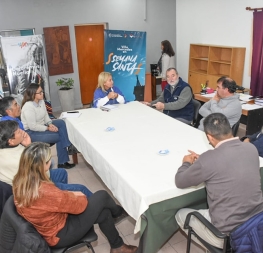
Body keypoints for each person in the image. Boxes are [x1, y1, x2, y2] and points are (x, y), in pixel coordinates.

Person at [13, 142, 138, 253]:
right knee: (102, 195)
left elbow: (59, 199)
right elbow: (79, 206)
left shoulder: (20, 182)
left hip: (50, 227)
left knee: (104, 213)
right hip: (60, 234)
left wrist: (70, 196)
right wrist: (78, 195)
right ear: (41, 166)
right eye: (48, 161)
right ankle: (118, 212)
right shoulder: (44, 191)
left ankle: (118, 247)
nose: (50, 162)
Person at [175, 113, 263, 249]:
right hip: (258, 222)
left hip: (228, 234)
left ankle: (214, 248)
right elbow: (233, 165)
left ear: (210, 136)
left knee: (180, 215)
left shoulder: (208, 158)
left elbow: (180, 181)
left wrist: (186, 163)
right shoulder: (251, 149)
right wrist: (204, 162)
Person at [0, 120, 92, 198]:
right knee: (81, 189)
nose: (22, 131)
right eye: (19, 132)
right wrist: (29, 145)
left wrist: (28, 146)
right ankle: (57, 196)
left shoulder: (8, 148)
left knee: (61, 172)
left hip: (28, 181)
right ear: (11, 141)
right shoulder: (20, 158)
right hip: (33, 190)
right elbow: (45, 173)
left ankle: (59, 198)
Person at [21, 83, 75, 169]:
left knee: (61, 122)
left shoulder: (41, 102)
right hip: (32, 133)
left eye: (42, 91)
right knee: (60, 136)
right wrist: (47, 128)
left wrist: (50, 124)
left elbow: (46, 116)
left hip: (43, 125)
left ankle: (67, 147)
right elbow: (33, 126)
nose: (42, 93)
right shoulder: (28, 107)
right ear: (33, 94)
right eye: (40, 92)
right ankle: (63, 160)